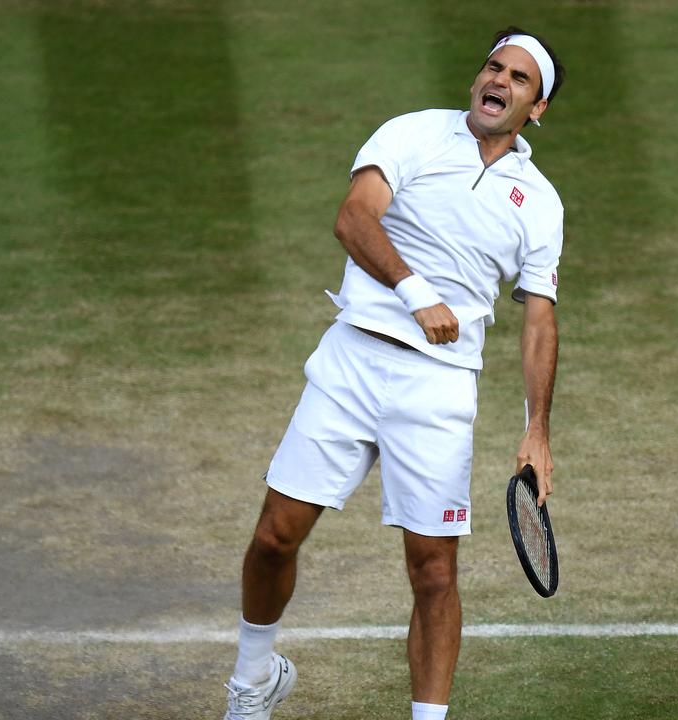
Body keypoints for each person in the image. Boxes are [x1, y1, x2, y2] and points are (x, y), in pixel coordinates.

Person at [223, 26, 566, 720]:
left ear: (537, 109)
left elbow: (539, 321)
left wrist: (538, 431)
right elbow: (354, 219)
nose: (497, 81)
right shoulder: (411, 134)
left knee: (434, 573)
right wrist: (417, 296)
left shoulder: (542, 203)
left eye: (518, 78)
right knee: (273, 537)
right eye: (492, 67)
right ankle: (253, 681)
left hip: (439, 391)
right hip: (353, 360)